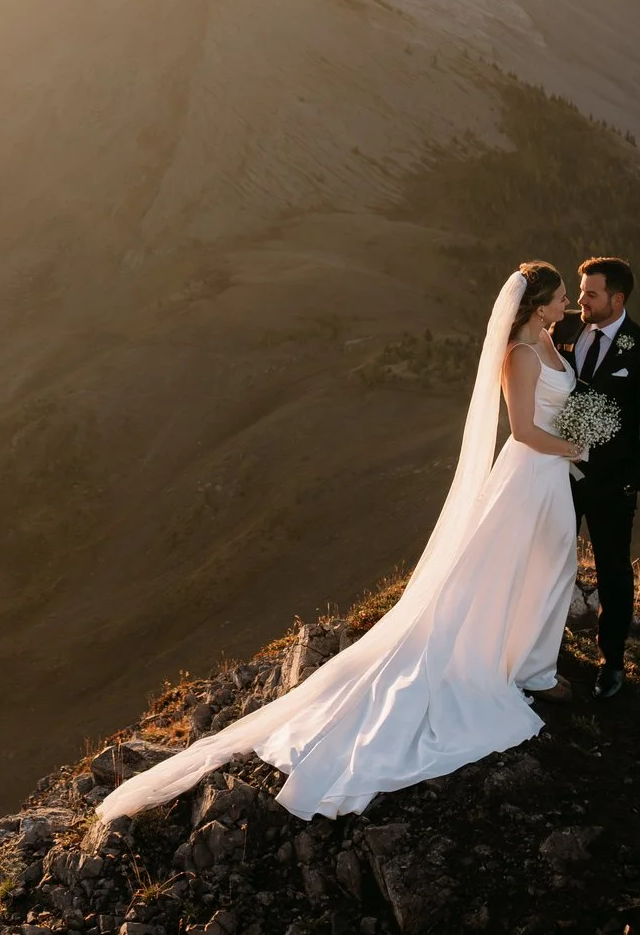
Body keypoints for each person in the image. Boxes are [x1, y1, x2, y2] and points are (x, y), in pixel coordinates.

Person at [99, 263, 586, 821]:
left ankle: (528, 661)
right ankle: (525, 668)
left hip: (551, 475)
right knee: (527, 567)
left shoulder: (548, 340)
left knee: (551, 566)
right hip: (530, 472)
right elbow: (522, 430)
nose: (568, 303)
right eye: (560, 297)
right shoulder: (519, 357)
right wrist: (572, 447)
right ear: (538, 304)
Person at [554, 256, 640, 699]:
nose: (580, 299)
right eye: (581, 291)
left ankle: (612, 663)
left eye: (590, 293)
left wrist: (631, 482)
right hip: (556, 474)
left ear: (616, 299)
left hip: (611, 483)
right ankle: (543, 648)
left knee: (613, 571)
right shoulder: (562, 330)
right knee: (548, 559)